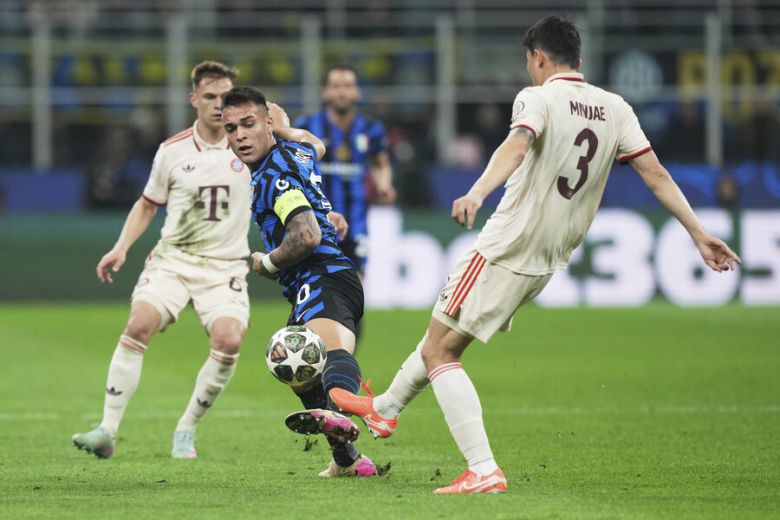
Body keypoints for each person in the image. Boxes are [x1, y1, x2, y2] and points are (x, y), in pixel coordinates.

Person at [330, 15, 742, 494]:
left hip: (507, 243)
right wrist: (698, 233)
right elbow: (656, 175)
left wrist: (478, 191)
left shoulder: (538, 97)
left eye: (529, 61)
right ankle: (385, 410)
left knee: (440, 349)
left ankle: (482, 469)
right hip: (549, 256)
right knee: (443, 333)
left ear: (538, 57)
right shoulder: (616, 107)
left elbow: (517, 144)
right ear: (579, 59)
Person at [72, 61, 252, 460]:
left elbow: (294, 171)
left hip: (225, 266)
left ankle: (186, 429)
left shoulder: (252, 146)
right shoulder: (172, 151)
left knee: (229, 341)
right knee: (138, 324)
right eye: (210, 96)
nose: (218, 104)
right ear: (194, 99)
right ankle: (107, 430)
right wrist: (121, 247)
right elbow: (148, 204)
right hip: (174, 259)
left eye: (225, 97)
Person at [221, 85, 375, 478]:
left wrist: (268, 262)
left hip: (323, 274)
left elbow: (306, 235)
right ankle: (347, 459)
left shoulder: (274, 174)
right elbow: (315, 143)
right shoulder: (296, 151)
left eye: (249, 124)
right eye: (231, 128)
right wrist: (285, 129)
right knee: (295, 368)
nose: (240, 136)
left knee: (329, 351)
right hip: (316, 278)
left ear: (266, 124)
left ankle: (344, 412)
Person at [293, 65, 396, 277]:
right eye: (336, 86)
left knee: (356, 281)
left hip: (356, 219)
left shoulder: (370, 129)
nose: (342, 92)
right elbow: (294, 167)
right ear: (326, 92)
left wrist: (384, 185)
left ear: (357, 92)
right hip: (316, 219)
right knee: (315, 282)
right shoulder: (307, 127)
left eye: (348, 86)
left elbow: (379, 163)